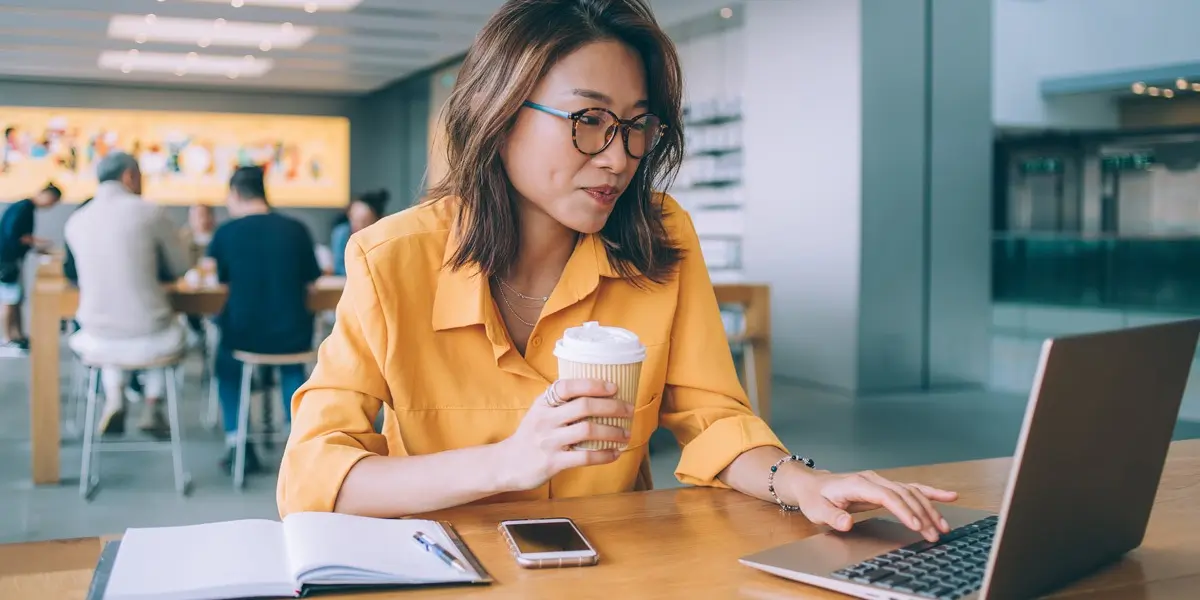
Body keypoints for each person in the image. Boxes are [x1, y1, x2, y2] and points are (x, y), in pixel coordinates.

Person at [277, 0, 958, 544]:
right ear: (499, 112)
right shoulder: (391, 258)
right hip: (450, 565)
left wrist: (803, 482)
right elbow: (312, 474)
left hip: (612, 565)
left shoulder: (660, 239)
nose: (618, 156)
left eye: (636, 126)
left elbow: (712, 416)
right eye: (589, 120)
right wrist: (506, 464)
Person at [64, 153, 190, 438]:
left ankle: (115, 398)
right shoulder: (150, 211)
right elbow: (180, 266)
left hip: (97, 336)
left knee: (112, 330)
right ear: (129, 176)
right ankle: (152, 403)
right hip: (150, 333)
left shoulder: (77, 220)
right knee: (167, 326)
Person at [208, 166, 321, 474]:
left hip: (243, 335)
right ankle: (302, 445)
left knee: (226, 366)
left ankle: (238, 443)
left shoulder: (226, 233)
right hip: (292, 332)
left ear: (234, 194)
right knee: (292, 365)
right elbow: (312, 280)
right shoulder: (296, 229)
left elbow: (219, 284)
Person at [0, 183, 61, 350]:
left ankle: (17, 335)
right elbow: (14, 235)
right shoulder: (23, 209)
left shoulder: (24, 207)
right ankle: (8, 338)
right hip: (7, 261)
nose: (50, 205)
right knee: (9, 299)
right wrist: (37, 242)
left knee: (15, 299)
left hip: (11, 260)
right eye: (52, 201)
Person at [330, 189, 386, 276]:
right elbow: (339, 266)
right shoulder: (341, 233)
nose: (358, 226)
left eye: (365, 222)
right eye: (355, 221)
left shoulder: (380, 234)